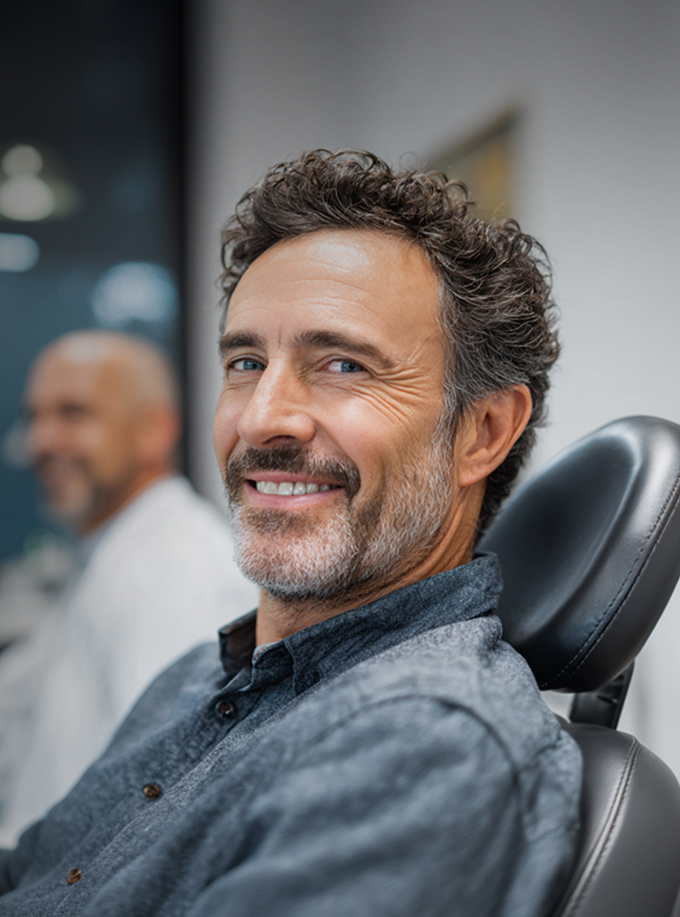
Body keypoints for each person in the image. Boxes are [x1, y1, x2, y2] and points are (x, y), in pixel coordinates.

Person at [0, 151, 581, 916]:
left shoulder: (422, 740)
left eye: (341, 364)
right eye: (245, 361)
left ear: (482, 431)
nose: (262, 417)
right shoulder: (202, 679)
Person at [0, 331, 258, 846]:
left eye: (73, 414)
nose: (41, 441)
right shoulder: (116, 554)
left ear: (154, 430)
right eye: (36, 417)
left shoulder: (172, 571)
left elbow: (165, 808)